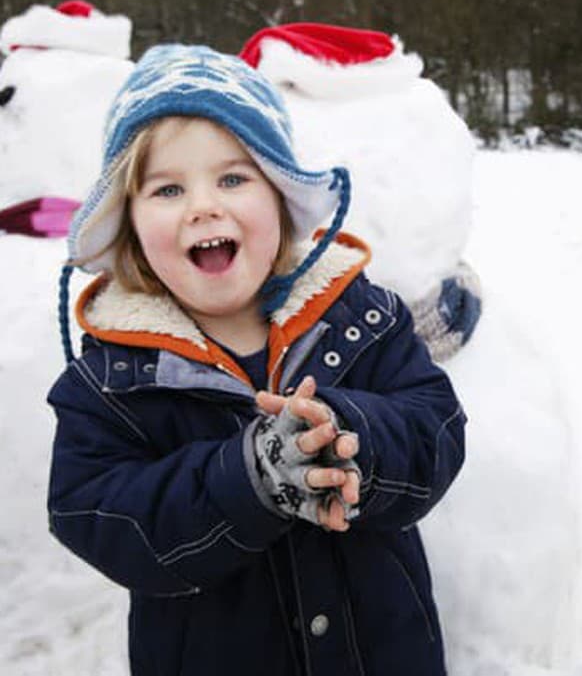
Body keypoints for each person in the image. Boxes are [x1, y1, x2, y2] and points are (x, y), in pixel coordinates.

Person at [46, 44, 466, 676]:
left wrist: (352, 438)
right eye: (167, 188)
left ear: (280, 198)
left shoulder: (358, 318)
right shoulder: (111, 382)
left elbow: (436, 426)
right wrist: (246, 480)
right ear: (128, 226)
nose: (202, 206)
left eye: (233, 178)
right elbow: (95, 513)